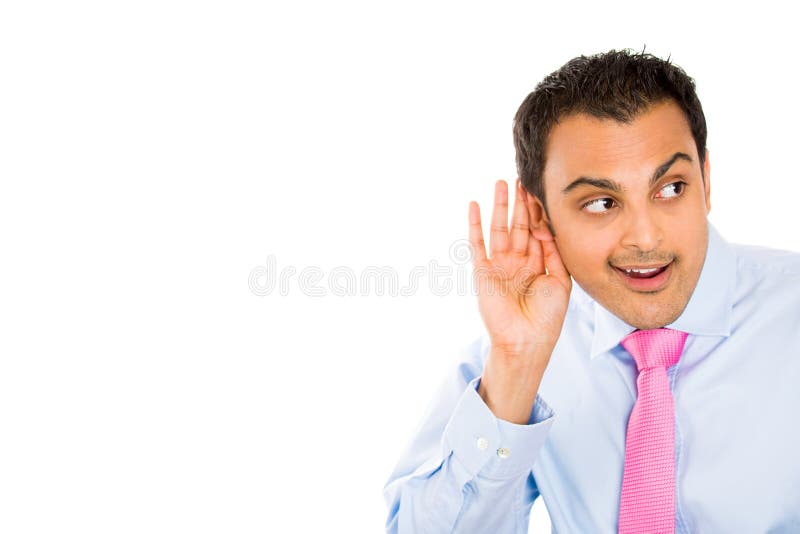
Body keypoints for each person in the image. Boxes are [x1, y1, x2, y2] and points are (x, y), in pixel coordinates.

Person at [382, 48, 800, 533]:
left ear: (706, 179)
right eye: (601, 202)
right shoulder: (519, 355)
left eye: (671, 188)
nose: (646, 238)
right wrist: (517, 369)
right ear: (541, 216)